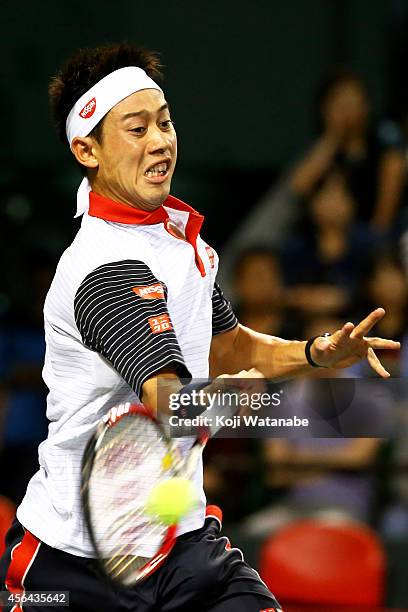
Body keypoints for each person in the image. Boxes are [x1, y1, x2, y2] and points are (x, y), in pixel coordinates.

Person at [0, 43, 399, 612]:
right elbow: (169, 402)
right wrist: (234, 401)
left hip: (183, 542)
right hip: (77, 562)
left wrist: (315, 352)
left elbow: (231, 344)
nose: (161, 141)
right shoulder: (102, 269)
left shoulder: (178, 240)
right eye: (136, 130)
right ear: (86, 149)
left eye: (164, 122)